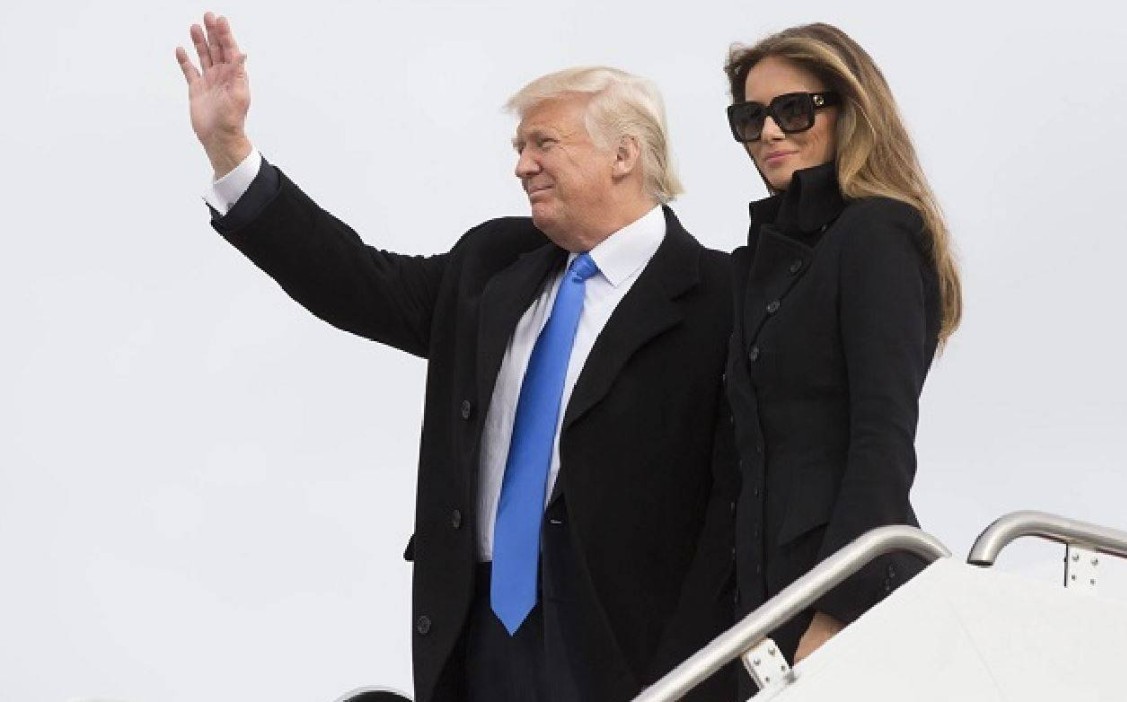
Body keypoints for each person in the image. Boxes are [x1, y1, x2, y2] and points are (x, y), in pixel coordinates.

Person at [175, 13, 737, 702]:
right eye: (519, 147)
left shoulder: (722, 298)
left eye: (543, 143)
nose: (522, 164)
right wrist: (230, 149)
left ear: (623, 155)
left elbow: (737, 500)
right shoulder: (492, 266)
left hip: (628, 649)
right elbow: (356, 282)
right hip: (477, 635)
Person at [721, 22, 962, 672]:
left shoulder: (876, 233)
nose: (770, 132)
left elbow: (883, 437)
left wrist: (837, 614)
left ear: (849, 111)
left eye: (793, 110)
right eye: (750, 117)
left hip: (845, 598)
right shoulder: (756, 267)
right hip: (761, 608)